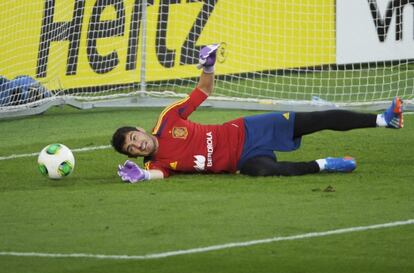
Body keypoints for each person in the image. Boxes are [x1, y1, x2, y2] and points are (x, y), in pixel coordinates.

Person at [111, 44, 404, 183]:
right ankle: (328, 164)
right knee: (265, 172)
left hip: (249, 130)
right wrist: (141, 177)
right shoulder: (155, 164)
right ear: (135, 156)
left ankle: (383, 119)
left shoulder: (168, 119)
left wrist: (209, 66)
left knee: (315, 119)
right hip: (243, 160)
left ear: (140, 129)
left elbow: (203, 92)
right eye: (132, 148)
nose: (138, 145)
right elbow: (159, 175)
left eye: (134, 137)